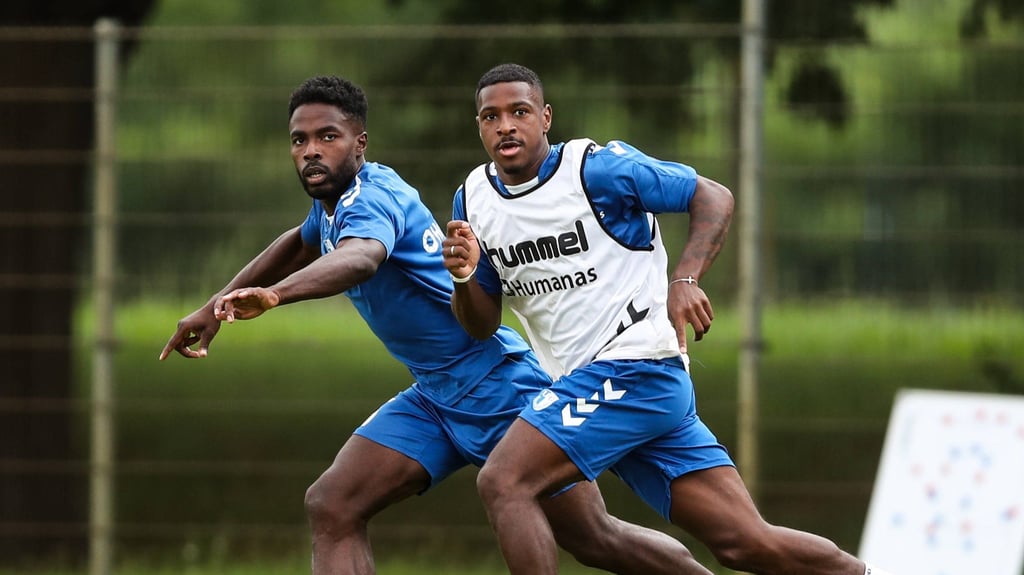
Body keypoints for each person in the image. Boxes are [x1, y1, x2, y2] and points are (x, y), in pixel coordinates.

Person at [159, 75, 716, 575]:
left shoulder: (374, 198)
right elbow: (300, 242)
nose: (311, 151)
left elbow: (361, 257)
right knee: (333, 503)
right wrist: (214, 307)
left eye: (327, 137)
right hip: (434, 395)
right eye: (299, 140)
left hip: (498, 386)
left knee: (595, 539)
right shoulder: (332, 204)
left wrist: (276, 296)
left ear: (360, 142)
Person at [444, 63, 897, 575]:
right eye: (491, 116)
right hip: (602, 387)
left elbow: (713, 195)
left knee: (504, 481)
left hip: (635, 367)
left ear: (546, 117)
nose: (506, 125)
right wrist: (465, 276)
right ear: (479, 126)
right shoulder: (473, 201)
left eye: (520, 111)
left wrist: (684, 280)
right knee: (745, 543)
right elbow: (481, 324)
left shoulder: (596, 171)